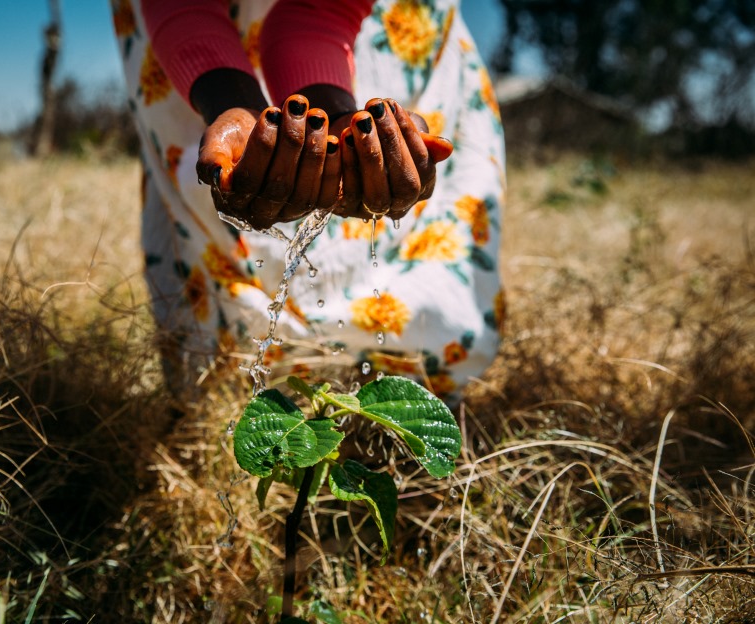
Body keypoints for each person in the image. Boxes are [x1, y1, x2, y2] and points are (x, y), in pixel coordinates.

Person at [111, 0, 505, 399]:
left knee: (407, 259)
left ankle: (402, 407)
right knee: (212, 249)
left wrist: (332, 110)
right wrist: (232, 101)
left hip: (353, 33)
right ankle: (230, 402)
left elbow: (317, 11)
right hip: (184, 41)